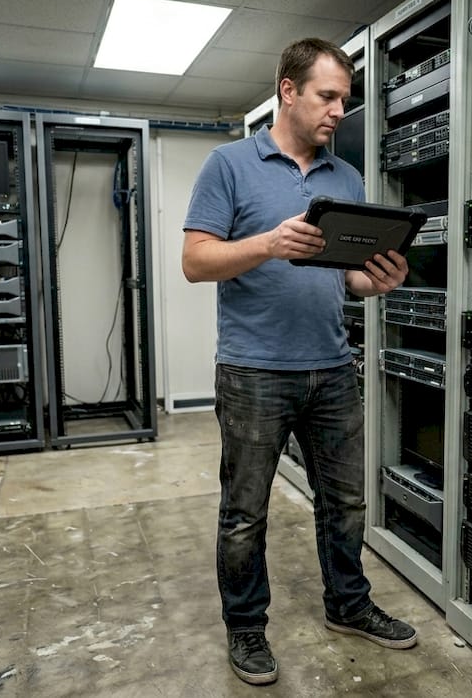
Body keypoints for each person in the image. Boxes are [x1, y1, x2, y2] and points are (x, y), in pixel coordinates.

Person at [181, 38, 418, 686]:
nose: (340, 110)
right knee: (245, 513)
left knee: (344, 503)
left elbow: (347, 280)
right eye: (328, 96)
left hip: (333, 368)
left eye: (346, 98)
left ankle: (348, 604)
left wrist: (380, 281)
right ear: (288, 91)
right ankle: (247, 629)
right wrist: (266, 242)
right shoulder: (228, 165)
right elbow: (195, 261)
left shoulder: (345, 179)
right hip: (255, 371)